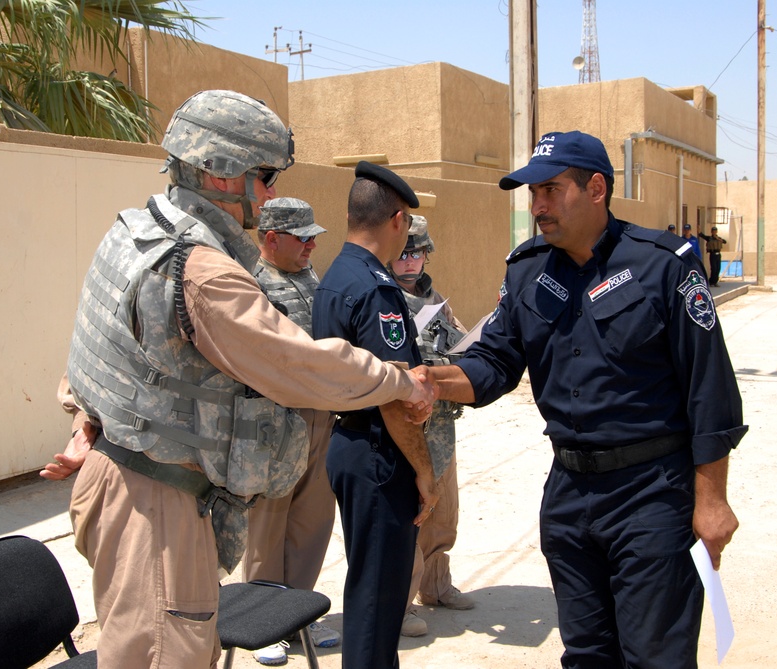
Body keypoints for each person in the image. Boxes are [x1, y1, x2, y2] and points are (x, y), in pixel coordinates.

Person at [50, 90, 435, 669]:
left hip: (130, 479)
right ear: (221, 174)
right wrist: (402, 383)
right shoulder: (198, 269)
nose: (271, 193)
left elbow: (104, 361)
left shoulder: (138, 231)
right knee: (164, 654)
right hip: (155, 505)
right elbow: (301, 366)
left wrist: (90, 425)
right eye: (264, 176)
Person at [410, 131, 747, 668]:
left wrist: (712, 500)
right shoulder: (527, 270)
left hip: (653, 493)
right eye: (532, 194)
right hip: (569, 493)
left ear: (596, 188)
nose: (537, 206)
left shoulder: (663, 266)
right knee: (587, 654)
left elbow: (710, 391)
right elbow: (496, 361)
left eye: (550, 190)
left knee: (654, 656)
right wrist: (432, 379)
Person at [313, 161, 440, 669]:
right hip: (378, 455)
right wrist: (425, 471)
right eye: (407, 223)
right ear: (395, 221)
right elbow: (394, 396)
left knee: (371, 581)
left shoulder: (333, 277)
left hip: (348, 444)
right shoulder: (376, 288)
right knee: (378, 593)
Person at [244, 197, 340, 665]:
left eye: (313, 237)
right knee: (269, 523)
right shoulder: (250, 281)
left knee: (312, 517)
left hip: (320, 411)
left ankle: (299, 611)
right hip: (274, 419)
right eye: (302, 238)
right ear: (271, 239)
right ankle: (264, 624)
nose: (312, 245)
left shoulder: (310, 278)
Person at [387, 215, 474, 639]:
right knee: (408, 515)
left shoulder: (435, 298)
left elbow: (457, 339)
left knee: (443, 512)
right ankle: (398, 605)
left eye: (417, 253)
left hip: (441, 422)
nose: (409, 262)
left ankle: (436, 586)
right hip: (403, 424)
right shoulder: (381, 297)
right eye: (403, 252)